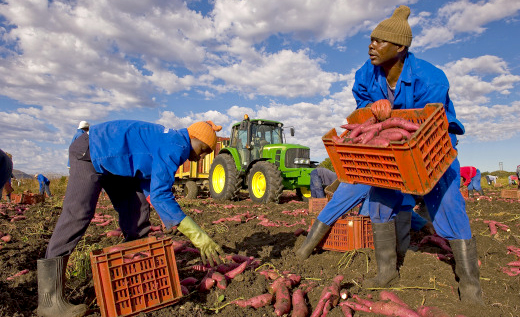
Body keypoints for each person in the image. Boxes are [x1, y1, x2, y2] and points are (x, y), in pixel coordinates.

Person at [351, 5, 483, 304]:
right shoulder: (365, 74)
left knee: (448, 203)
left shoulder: (431, 77)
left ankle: (471, 286)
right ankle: (387, 270)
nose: (372, 46)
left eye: (379, 41)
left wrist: (389, 114)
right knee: (381, 199)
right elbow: (361, 103)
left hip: (432, 146)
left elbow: (421, 122)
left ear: (400, 47)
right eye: (371, 39)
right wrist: (371, 108)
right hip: (389, 150)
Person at [37, 120, 225, 317]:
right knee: (78, 213)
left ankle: (135, 274)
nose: (202, 156)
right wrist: (197, 235)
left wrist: (167, 216)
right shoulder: (176, 145)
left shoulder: (172, 142)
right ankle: (50, 301)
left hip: (117, 167)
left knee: (136, 209)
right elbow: (161, 194)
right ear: (193, 138)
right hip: (91, 151)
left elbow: (151, 188)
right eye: (203, 149)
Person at [297, 182, 435, 268]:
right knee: (395, 202)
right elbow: (402, 205)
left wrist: (423, 223)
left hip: (358, 169)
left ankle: (304, 250)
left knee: (340, 202)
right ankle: (398, 254)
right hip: (378, 172)